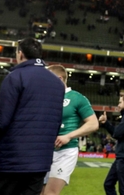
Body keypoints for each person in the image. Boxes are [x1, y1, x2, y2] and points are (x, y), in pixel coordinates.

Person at [0, 38, 65, 195]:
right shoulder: (57, 84)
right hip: (40, 161)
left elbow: (1, 120)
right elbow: (56, 122)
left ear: (20, 54)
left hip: (11, 160)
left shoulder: (15, 77)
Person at [41, 65, 99, 195]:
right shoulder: (46, 98)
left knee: (50, 193)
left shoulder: (77, 98)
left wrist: (68, 136)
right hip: (44, 151)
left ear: (59, 79)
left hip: (65, 152)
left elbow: (93, 124)